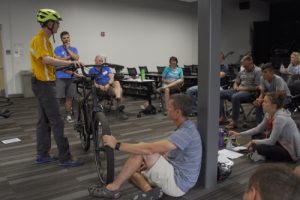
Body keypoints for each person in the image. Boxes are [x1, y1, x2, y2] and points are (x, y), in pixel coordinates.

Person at [88, 94, 202, 199]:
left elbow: (149, 149)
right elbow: (167, 151)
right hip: (175, 173)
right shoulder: (186, 127)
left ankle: (113, 188)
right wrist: (151, 162)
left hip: (178, 183)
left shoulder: (186, 132)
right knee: (132, 171)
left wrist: (117, 145)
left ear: (178, 112)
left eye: (169, 107)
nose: (167, 109)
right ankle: (150, 192)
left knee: (141, 151)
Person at [30, 8, 84, 167]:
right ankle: (65, 158)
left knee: (44, 121)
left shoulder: (46, 41)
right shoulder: (39, 39)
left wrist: (73, 72)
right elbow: (47, 60)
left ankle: (42, 154)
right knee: (57, 120)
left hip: (42, 82)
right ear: (49, 24)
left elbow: (52, 64)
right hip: (44, 84)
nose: (59, 25)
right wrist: (71, 62)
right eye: (57, 22)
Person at [229, 91, 300, 162]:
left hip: (289, 149)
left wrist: (254, 141)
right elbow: (258, 128)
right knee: (256, 135)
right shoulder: (269, 113)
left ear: (274, 105)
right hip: (279, 141)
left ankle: (261, 154)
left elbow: (271, 141)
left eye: (265, 102)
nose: (262, 104)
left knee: (260, 147)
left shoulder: (280, 118)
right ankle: (260, 154)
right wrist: (239, 134)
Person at [219, 54, 261, 129]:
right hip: (238, 90)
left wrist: (243, 89)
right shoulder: (242, 71)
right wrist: (235, 86)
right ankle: (223, 117)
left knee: (235, 97)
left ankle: (234, 121)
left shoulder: (258, 71)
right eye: (244, 66)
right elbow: (236, 81)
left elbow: (257, 87)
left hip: (251, 94)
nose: (245, 68)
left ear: (251, 62)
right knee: (219, 94)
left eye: (246, 66)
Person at [89, 54, 128, 120]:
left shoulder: (106, 68)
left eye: (102, 61)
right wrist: (99, 86)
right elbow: (93, 82)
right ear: (95, 61)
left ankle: (118, 100)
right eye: (99, 60)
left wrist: (108, 84)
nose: (101, 62)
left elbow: (111, 77)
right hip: (99, 88)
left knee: (117, 83)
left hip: (108, 86)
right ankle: (119, 104)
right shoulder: (92, 70)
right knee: (120, 90)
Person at [54, 31, 80, 123]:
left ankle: (68, 114)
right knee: (58, 97)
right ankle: (55, 116)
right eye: (64, 38)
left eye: (67, 37)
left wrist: (68, 50)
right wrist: (69, 58)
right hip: (60, 76)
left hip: (72, 77)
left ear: (70, 38)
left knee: (69, 97)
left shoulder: (74, 49)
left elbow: (76, 58)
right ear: (61, 39)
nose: (66, 39)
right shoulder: (57, 49)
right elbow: (57, 60)